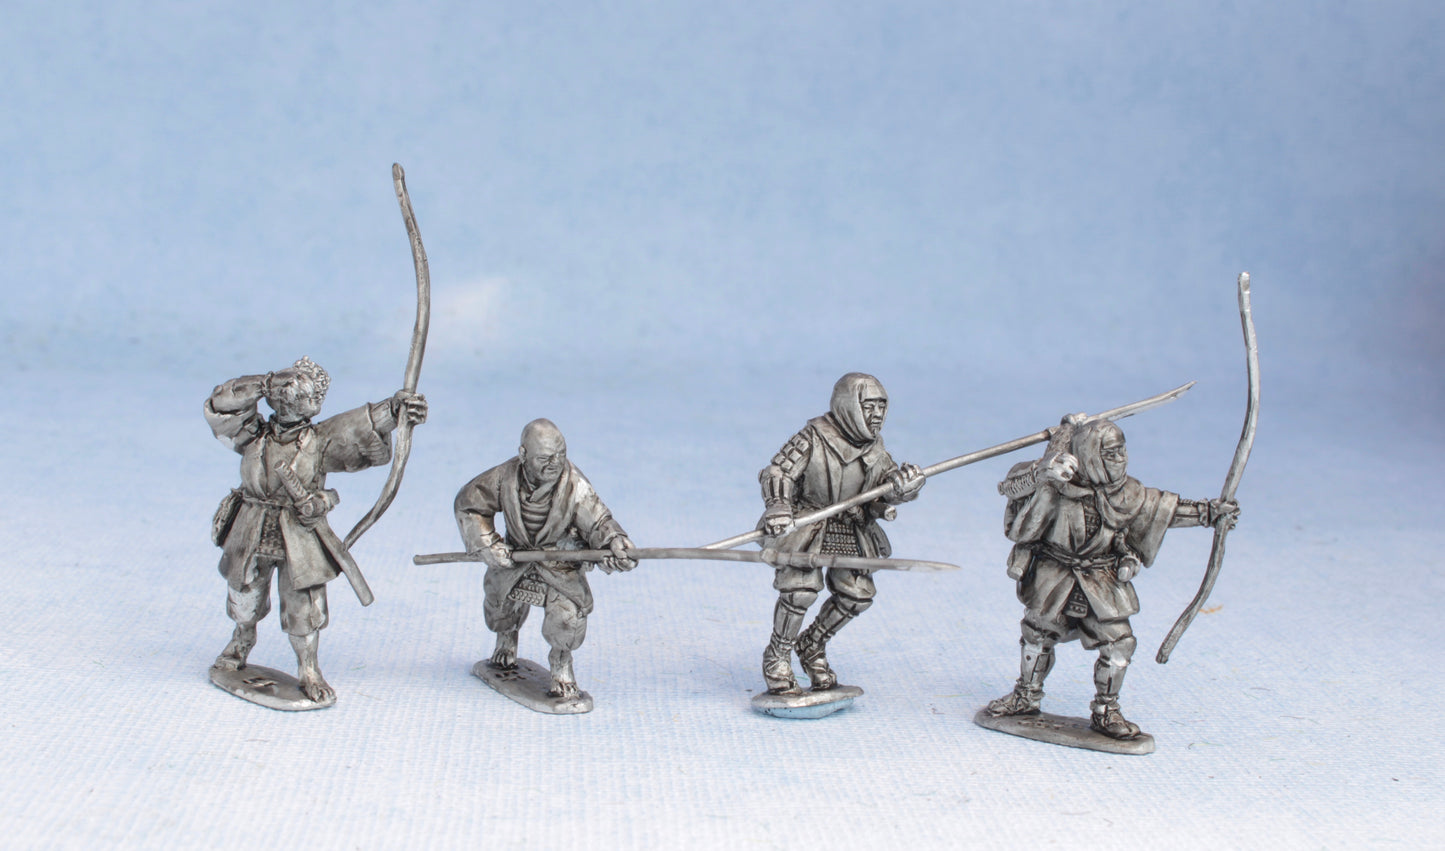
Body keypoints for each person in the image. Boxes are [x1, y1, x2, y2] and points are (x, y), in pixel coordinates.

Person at [986, 415, 1239, 739]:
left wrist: (1209, 513)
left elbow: (1163, 509)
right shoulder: (1056, 485)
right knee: (1036, 635)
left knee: (1120, 644)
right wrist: (1044, 472)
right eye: (1110, 452)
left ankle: (1106, 711)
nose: (1120, 458)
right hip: (1055, 577)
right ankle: (1025, 696)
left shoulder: (1128, 494)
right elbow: (1014, 494)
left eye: (1122, 450)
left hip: (1102, 580)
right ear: (1089, 454)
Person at [205, 356, 427, 703]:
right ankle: (241, 640)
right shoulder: (251, 434)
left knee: (305, 606)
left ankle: (308, 668)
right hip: (251, 526)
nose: (310, 403)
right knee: (244, 594)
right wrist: (265, 382)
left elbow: (358, 426)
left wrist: (395, 410)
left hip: (298, 533)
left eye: (312, 397)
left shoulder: (319, 439)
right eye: (301, 395)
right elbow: (221, 405)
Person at [756, 373, 925, 695]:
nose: (877, 415)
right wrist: (778, 505)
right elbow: (779, 471)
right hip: (808, 525)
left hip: (850, 527)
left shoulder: (875, 449)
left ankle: (812, 645)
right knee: (800, 591)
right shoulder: (814, 437)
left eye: (881, 407)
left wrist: (903, 488)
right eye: (868, 406)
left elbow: (885, 487)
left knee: (857, 595)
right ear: (849, 406)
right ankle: (777, 656)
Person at [454, 419, 636, 699]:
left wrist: (613, 542)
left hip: (559, 564)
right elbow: (469, 503)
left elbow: (598, 520)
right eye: (545, 458)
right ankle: (506, 639)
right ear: (523, 454)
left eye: (560, 455)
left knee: (569, 617)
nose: (555, 463)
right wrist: (487, 544)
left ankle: (561, 661)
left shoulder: (574, 483)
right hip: (515, 557)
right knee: (498, 603)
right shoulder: (503, 477)